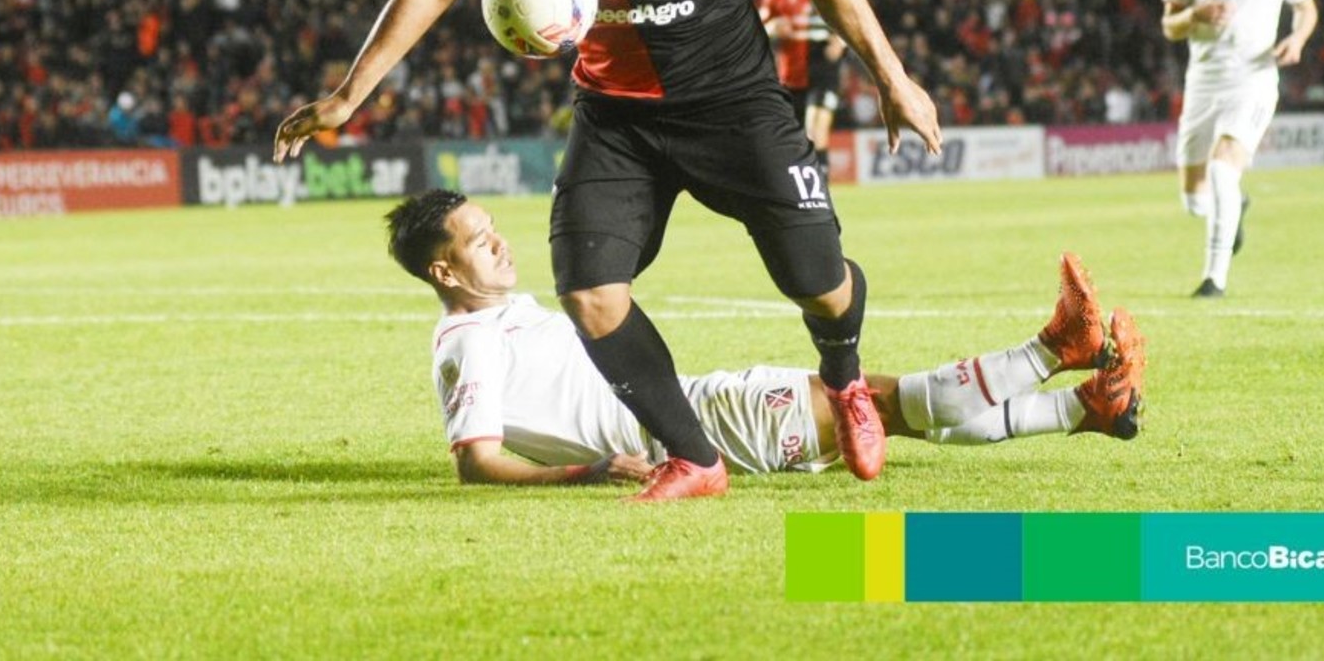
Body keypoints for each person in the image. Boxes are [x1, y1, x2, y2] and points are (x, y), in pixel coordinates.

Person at [274, 0, 942, 500]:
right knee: (590, 292)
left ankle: (845, 378)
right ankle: (694, 459)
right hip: (616, 117)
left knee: (817, 281)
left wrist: (891, 78)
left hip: (733, 105)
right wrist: (349, 94)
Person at [391, 191, 1146, 487]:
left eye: (493, 229)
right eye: (478, 242)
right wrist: (586, 472)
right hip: (692, 430)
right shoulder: (467, 339)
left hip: (693, 409)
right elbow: (476, 462)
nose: (501, 244)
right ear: (442, 270)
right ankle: (1055, 347)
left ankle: (1085, 408)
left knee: (893, 414)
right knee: (878, 402)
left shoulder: (501, 311)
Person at [1161, 0, 1318, 298]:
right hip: (1203, 82)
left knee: (1222, 168)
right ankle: (1236, 205)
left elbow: (1306, 8)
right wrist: (1195, 14)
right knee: (1195, 200)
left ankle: (1214, 279)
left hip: (1253, 78)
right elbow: (1169, 25)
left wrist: (1297, 38)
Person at [757, 0, 847, 177]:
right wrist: (772, 28)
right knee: (793, 140)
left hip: (823, 70)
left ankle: (821, 186)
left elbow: (850, 21)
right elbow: (756, 29)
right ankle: (799, 184)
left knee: (815, 131)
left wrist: (840, 43)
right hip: (789, 77)